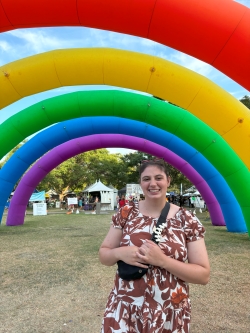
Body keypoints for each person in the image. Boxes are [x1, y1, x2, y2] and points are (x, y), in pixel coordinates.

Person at [99, 159, 210, 333]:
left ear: (168, 180)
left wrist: (163, 261)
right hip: (126, 310)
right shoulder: (126, 213)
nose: (153, 184)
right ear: (140, 183)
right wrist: (120, 253)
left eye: (158, 178)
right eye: (146, 179)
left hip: (168, 313)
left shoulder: (187, 219)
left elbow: (203, 275)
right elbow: (104, 255)